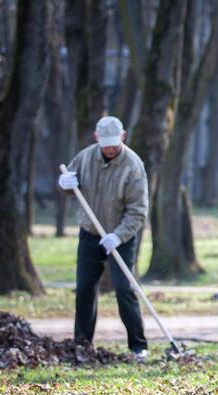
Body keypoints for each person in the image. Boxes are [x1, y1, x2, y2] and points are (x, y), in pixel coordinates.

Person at [58, 116, 149, 360]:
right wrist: (64, 184)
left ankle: (138, 345)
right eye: (105, 144)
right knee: (85, 288)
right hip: (90, 234)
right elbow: (70, 186)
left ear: (123, 137)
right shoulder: (85, 157)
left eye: (114, 144)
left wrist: (118, 236)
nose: (109, 149)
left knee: (123, 288)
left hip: (121, 236)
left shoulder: (133, 165)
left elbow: (138, 211)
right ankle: (82, 343)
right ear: (97, 139)